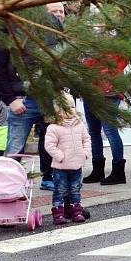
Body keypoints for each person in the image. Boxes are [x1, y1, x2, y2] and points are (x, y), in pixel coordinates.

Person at [0, 0, 60, 190]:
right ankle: (9, 185)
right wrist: (10, 99)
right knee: (15, 146)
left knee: (50, 140)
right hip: (20, 99)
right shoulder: (5, 27)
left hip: (48, 95)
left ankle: (49, 177)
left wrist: (60, 92)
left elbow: (62, 59)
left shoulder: (51, 23)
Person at [81, 52, 128, 185]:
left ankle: (118, 172)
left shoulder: (115, 40)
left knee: (110, 131)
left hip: (109, 91)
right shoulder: (89, 41)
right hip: (91, 91)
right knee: (94, 132)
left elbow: (122, 60)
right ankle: (98, 170)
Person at [43, 94, 91, 225]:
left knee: (75, 189)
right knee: (60, 189)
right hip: (61, 167)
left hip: (76, 165)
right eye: (66, 108)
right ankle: (58, 213)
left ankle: (77, 211)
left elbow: (86, 139)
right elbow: (49, 145)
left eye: (72, 107)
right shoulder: (54, 127)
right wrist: (60, 156)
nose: (70, 110)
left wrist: (85, 153)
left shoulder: (79, 125)